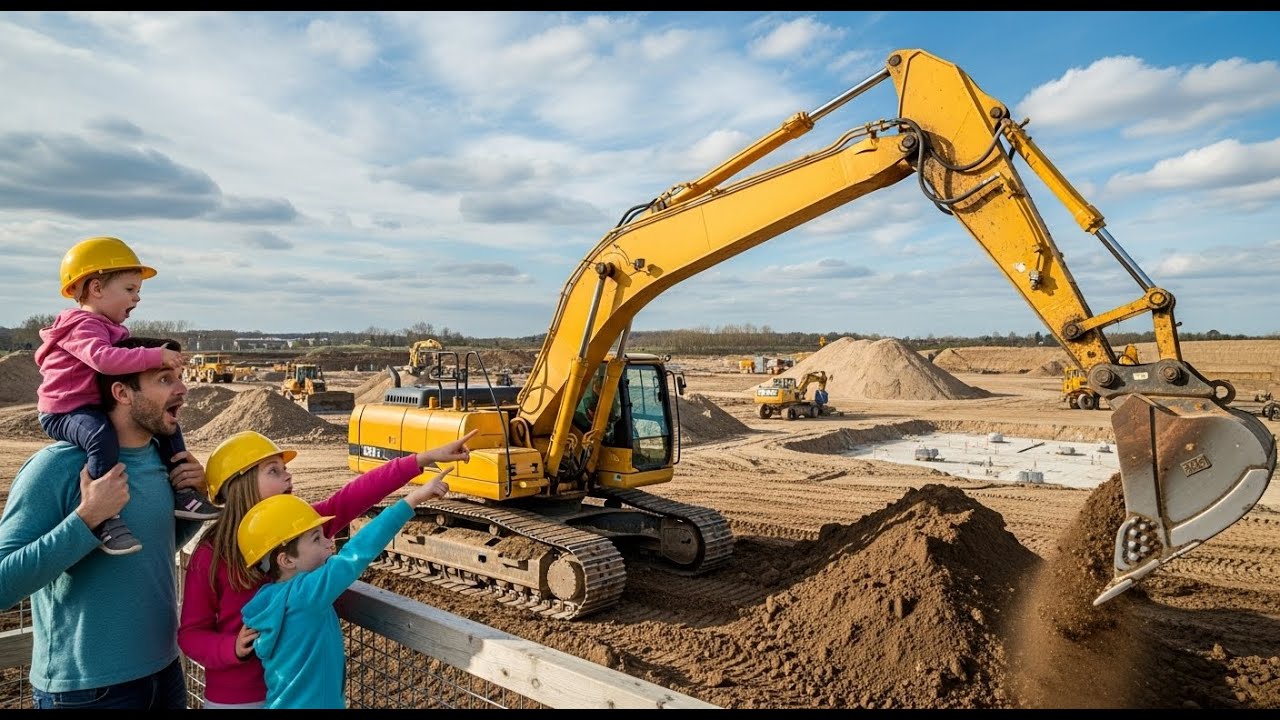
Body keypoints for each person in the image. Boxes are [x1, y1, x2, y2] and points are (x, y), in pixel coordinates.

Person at [178, 428, 478, 709]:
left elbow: (351, 498)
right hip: (236, 699)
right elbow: (191, 633)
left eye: (285, 469)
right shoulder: (211, 555)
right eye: (274, 471)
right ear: (239, 485)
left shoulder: (298, 528)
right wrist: (231, 647)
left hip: (286, 696)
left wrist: (423, 459)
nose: (288, 476)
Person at [0, 336, 212, 710]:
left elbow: (151, 549)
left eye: (180, 377)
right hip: (85, 692)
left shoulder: (165, 464)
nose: (183, 389)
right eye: (164, 379)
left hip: (165, 673)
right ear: (122, 392)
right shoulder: (56, 468)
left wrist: (195, 503)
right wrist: (87, 518)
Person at [35, 236, 219, 556]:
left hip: (90, 405)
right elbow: (105, 361)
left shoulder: (111, 328)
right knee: (101, 437)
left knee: (170, 428)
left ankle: (183, 494)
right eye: (131, 289)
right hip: (65, 410)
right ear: (96, 288)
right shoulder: (82, 325)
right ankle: (104, 516)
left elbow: (159, 551)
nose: (137, 298)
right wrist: (153, 357)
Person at [239, 468, 454, 709]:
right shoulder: (306, 595)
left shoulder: (266, 601)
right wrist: (412, 500)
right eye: (316, 539)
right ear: (287, 561)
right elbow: (357, 554)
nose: (330, 543)